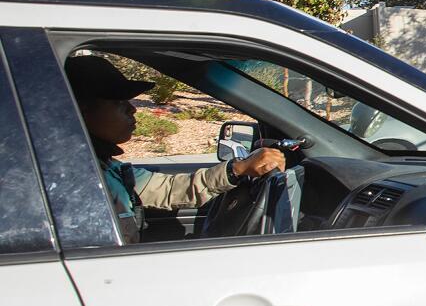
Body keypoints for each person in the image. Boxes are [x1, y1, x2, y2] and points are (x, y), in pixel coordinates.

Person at [66, 55, 285, 243]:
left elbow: (168, 189)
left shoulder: (105, 167)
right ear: (82, 111)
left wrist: (237, 169)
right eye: (118, 102)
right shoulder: (73, 181)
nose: (133, 109)